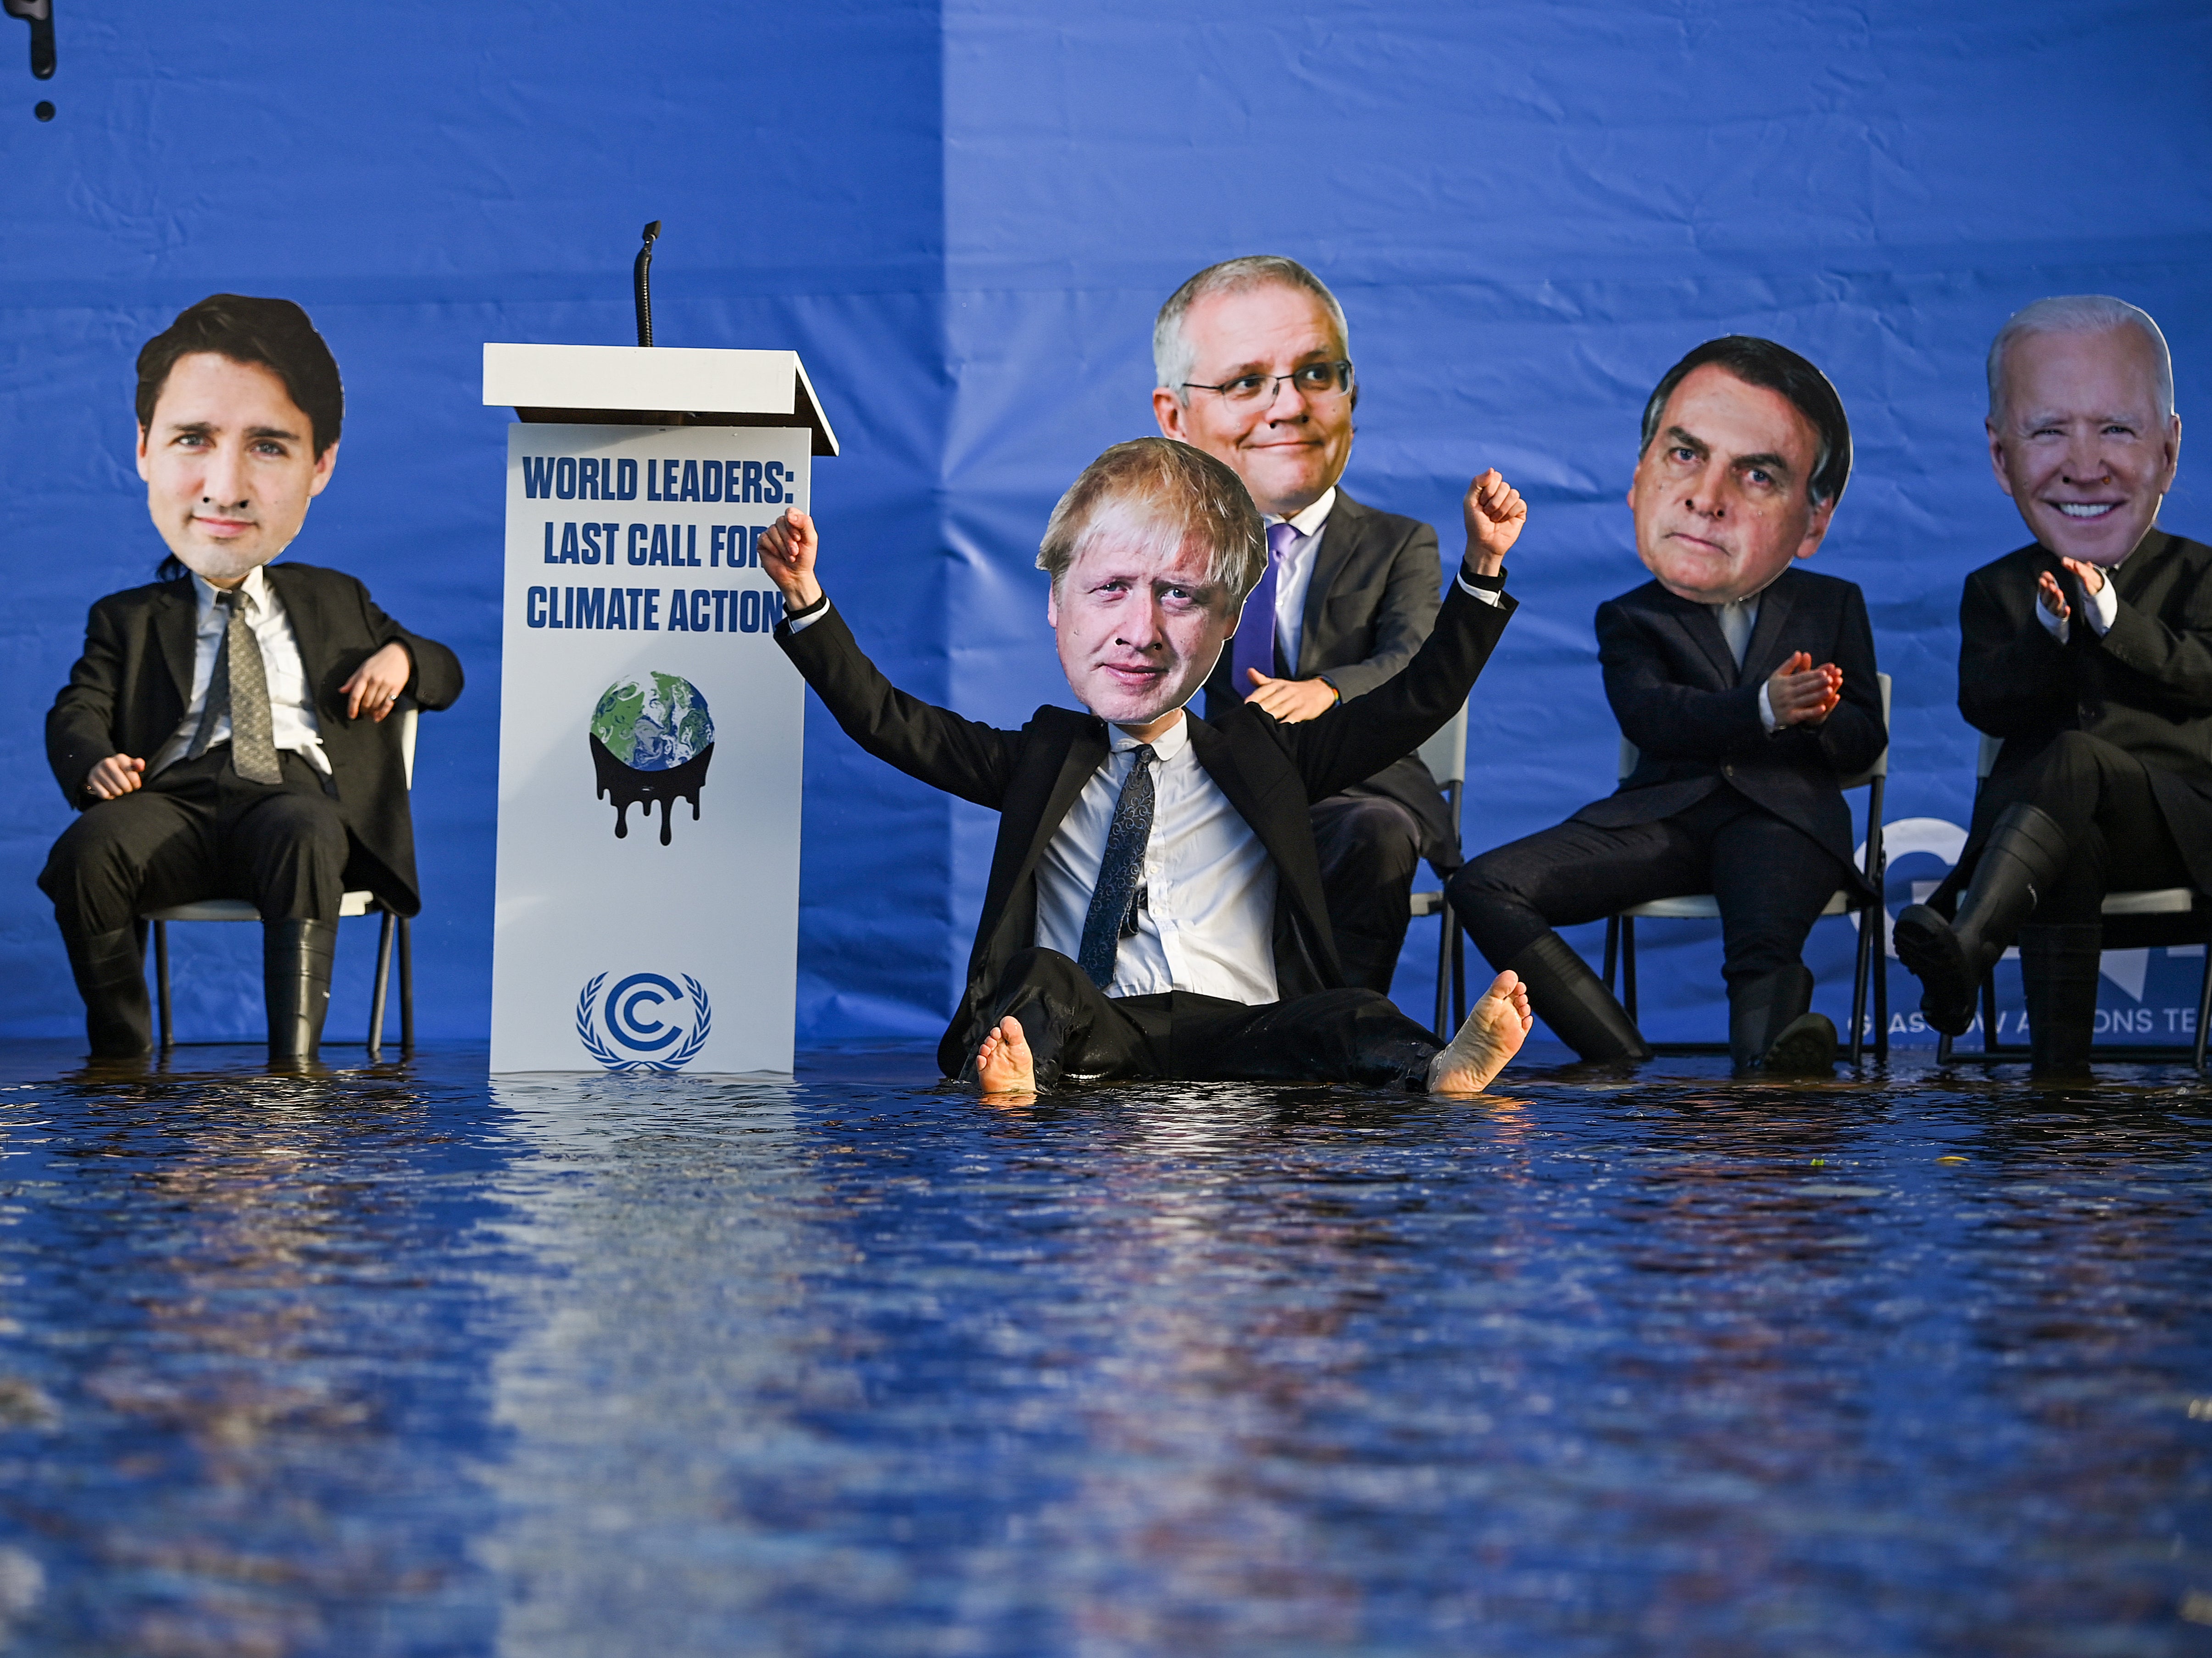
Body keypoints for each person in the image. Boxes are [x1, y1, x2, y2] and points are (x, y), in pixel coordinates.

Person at [761, 436, 1534, 1096]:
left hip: (1240, 1025)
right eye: (1110, 592)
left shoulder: (1265, 753)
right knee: (1037, 978)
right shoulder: (1041, 757)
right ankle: (1018, 1072)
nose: (1141, 632)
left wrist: (1482, 568)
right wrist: (805, 599)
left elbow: (1415, 703)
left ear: (1227, 625)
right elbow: (888, 721)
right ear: (1058, 607)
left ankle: (1435, 1068)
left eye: (1179, 599)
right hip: (1100, 1025)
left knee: (1349, 1014)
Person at [42, 295, 463, 1065]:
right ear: (144, 449)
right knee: (88, 850)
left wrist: (401, 659)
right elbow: (80, 706)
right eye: (192, 439)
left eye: (268, 447)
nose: (225, 488)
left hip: (290, 801)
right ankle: (121, 1054)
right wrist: (91, 757)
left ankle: (293, 1068)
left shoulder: (335, 598)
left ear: (321, 464)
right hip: (174, 804)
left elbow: (444, 669)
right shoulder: (129, 616)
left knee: (306, 829)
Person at [1447, 337, 1883, 1074]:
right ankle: (1619, 1057)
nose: (1705, 498)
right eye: (1684, 455)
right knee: (1484, 883)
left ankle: (1769, 1077)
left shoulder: (1832, 604)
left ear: (1813, 521)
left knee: (1763, 940)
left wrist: (1817, 712)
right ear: (1639, 477)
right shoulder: (1630, 616)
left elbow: (1863, 739)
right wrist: (1764, 709)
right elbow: (1650, 717)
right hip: (1663, 816)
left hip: (1782, 815)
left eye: (1755, 473)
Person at [1895, 295, 2209, 1075]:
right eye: (2048, 431)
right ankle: (2055, 1086)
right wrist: (2047, 634)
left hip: (2177, 828)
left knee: (2073, 758)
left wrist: (2108, 619)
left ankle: (1967, 943)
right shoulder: (1998, 588)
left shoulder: (2202, 573)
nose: (2083, 463)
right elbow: (1986, 703)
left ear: (2168, 451)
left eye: (2115, 429)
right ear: (2001, 459)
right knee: (2065, 835)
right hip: (2050, 837)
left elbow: (2204, 678)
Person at [1151, 256, 1459, 996]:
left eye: (1316, 374)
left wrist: (1324, 690)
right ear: (1174, 418)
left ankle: (1343, 1040)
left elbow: (1416, 661)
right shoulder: (1161, 549)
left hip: (1361, 790)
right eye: (1246, 382)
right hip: (1225, 791)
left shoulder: (1400, 542)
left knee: (1374, 834)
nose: (1287, 407)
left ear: (1350, 394)